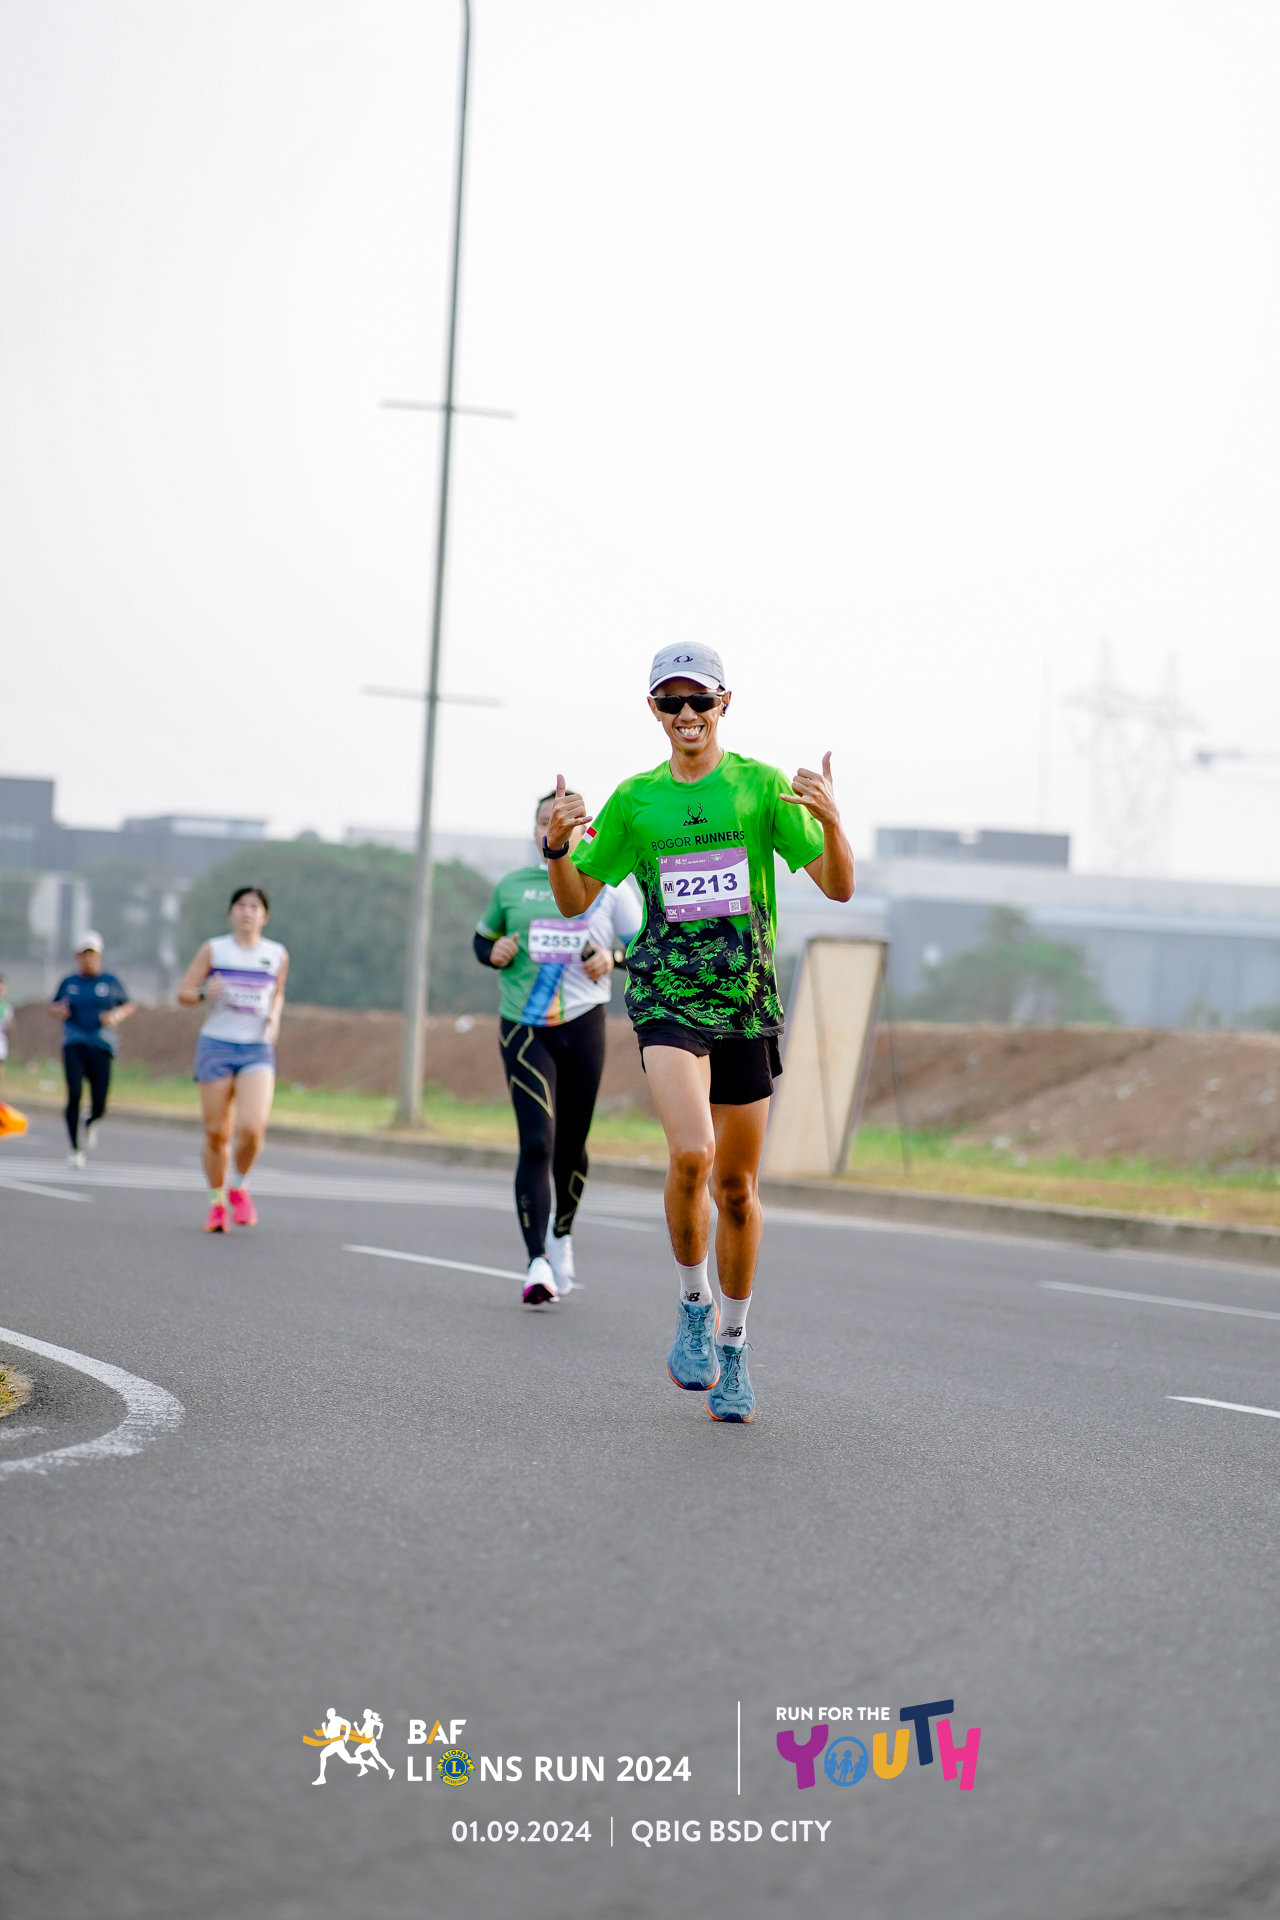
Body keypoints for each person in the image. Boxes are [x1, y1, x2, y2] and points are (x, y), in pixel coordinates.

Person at [543, 643, 855, 1421]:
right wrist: (556, 846)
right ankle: (693, 1304)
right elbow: (578, 899)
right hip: (666, 999)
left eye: (699, 700)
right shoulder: (636, 799)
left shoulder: (759, 787)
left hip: (746, 1005)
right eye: (670, 701)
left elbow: (839, 887)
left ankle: (736, 1346)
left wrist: (832, 822)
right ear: (653, 710)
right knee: (692, 1154)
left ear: (724, 704)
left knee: (738, 1191)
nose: (686, 714)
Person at [475, 791, 643, 1306]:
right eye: (545, 821)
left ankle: (561, 1235)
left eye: (564, 820)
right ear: (536, 832)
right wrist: (494, 951)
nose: (554, 827)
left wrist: (611, 958)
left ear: (583, 828)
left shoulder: (608, 884)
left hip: (584, 1024)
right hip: (524, 1026)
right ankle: (536, 1262)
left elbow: (644, 944)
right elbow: (482, 940)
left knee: (572, 1144)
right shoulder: (512, 886)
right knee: (537, 1143)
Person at [176, 886, 288, 1233]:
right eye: (240, 905)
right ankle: (216, 1202)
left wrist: (275, 1018)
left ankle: (238, 1185)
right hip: (217, 1045)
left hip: (256, 1048)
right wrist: (203, 993)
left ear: (265, 916)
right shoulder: (215, 949)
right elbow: (184, 993)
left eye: (254, 907)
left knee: (252, 1128)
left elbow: (278, 993)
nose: (247, 912)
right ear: (230, 913)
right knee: (216, 1133)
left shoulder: (276, 954)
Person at [47, 933, 135, 1168]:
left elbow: (128, 1005)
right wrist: (58, 1011)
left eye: (92, 954)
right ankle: (75, 1148)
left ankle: (91, 1120)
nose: (89, 959)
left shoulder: (110, 981)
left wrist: (116, 1015)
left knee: (100, 1102)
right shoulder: (69, 982)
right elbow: (54, 1005)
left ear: (99, 956)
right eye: (84, 954)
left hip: (101, 1044)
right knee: (74, 1094)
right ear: (78, 957)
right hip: (74, 1043)